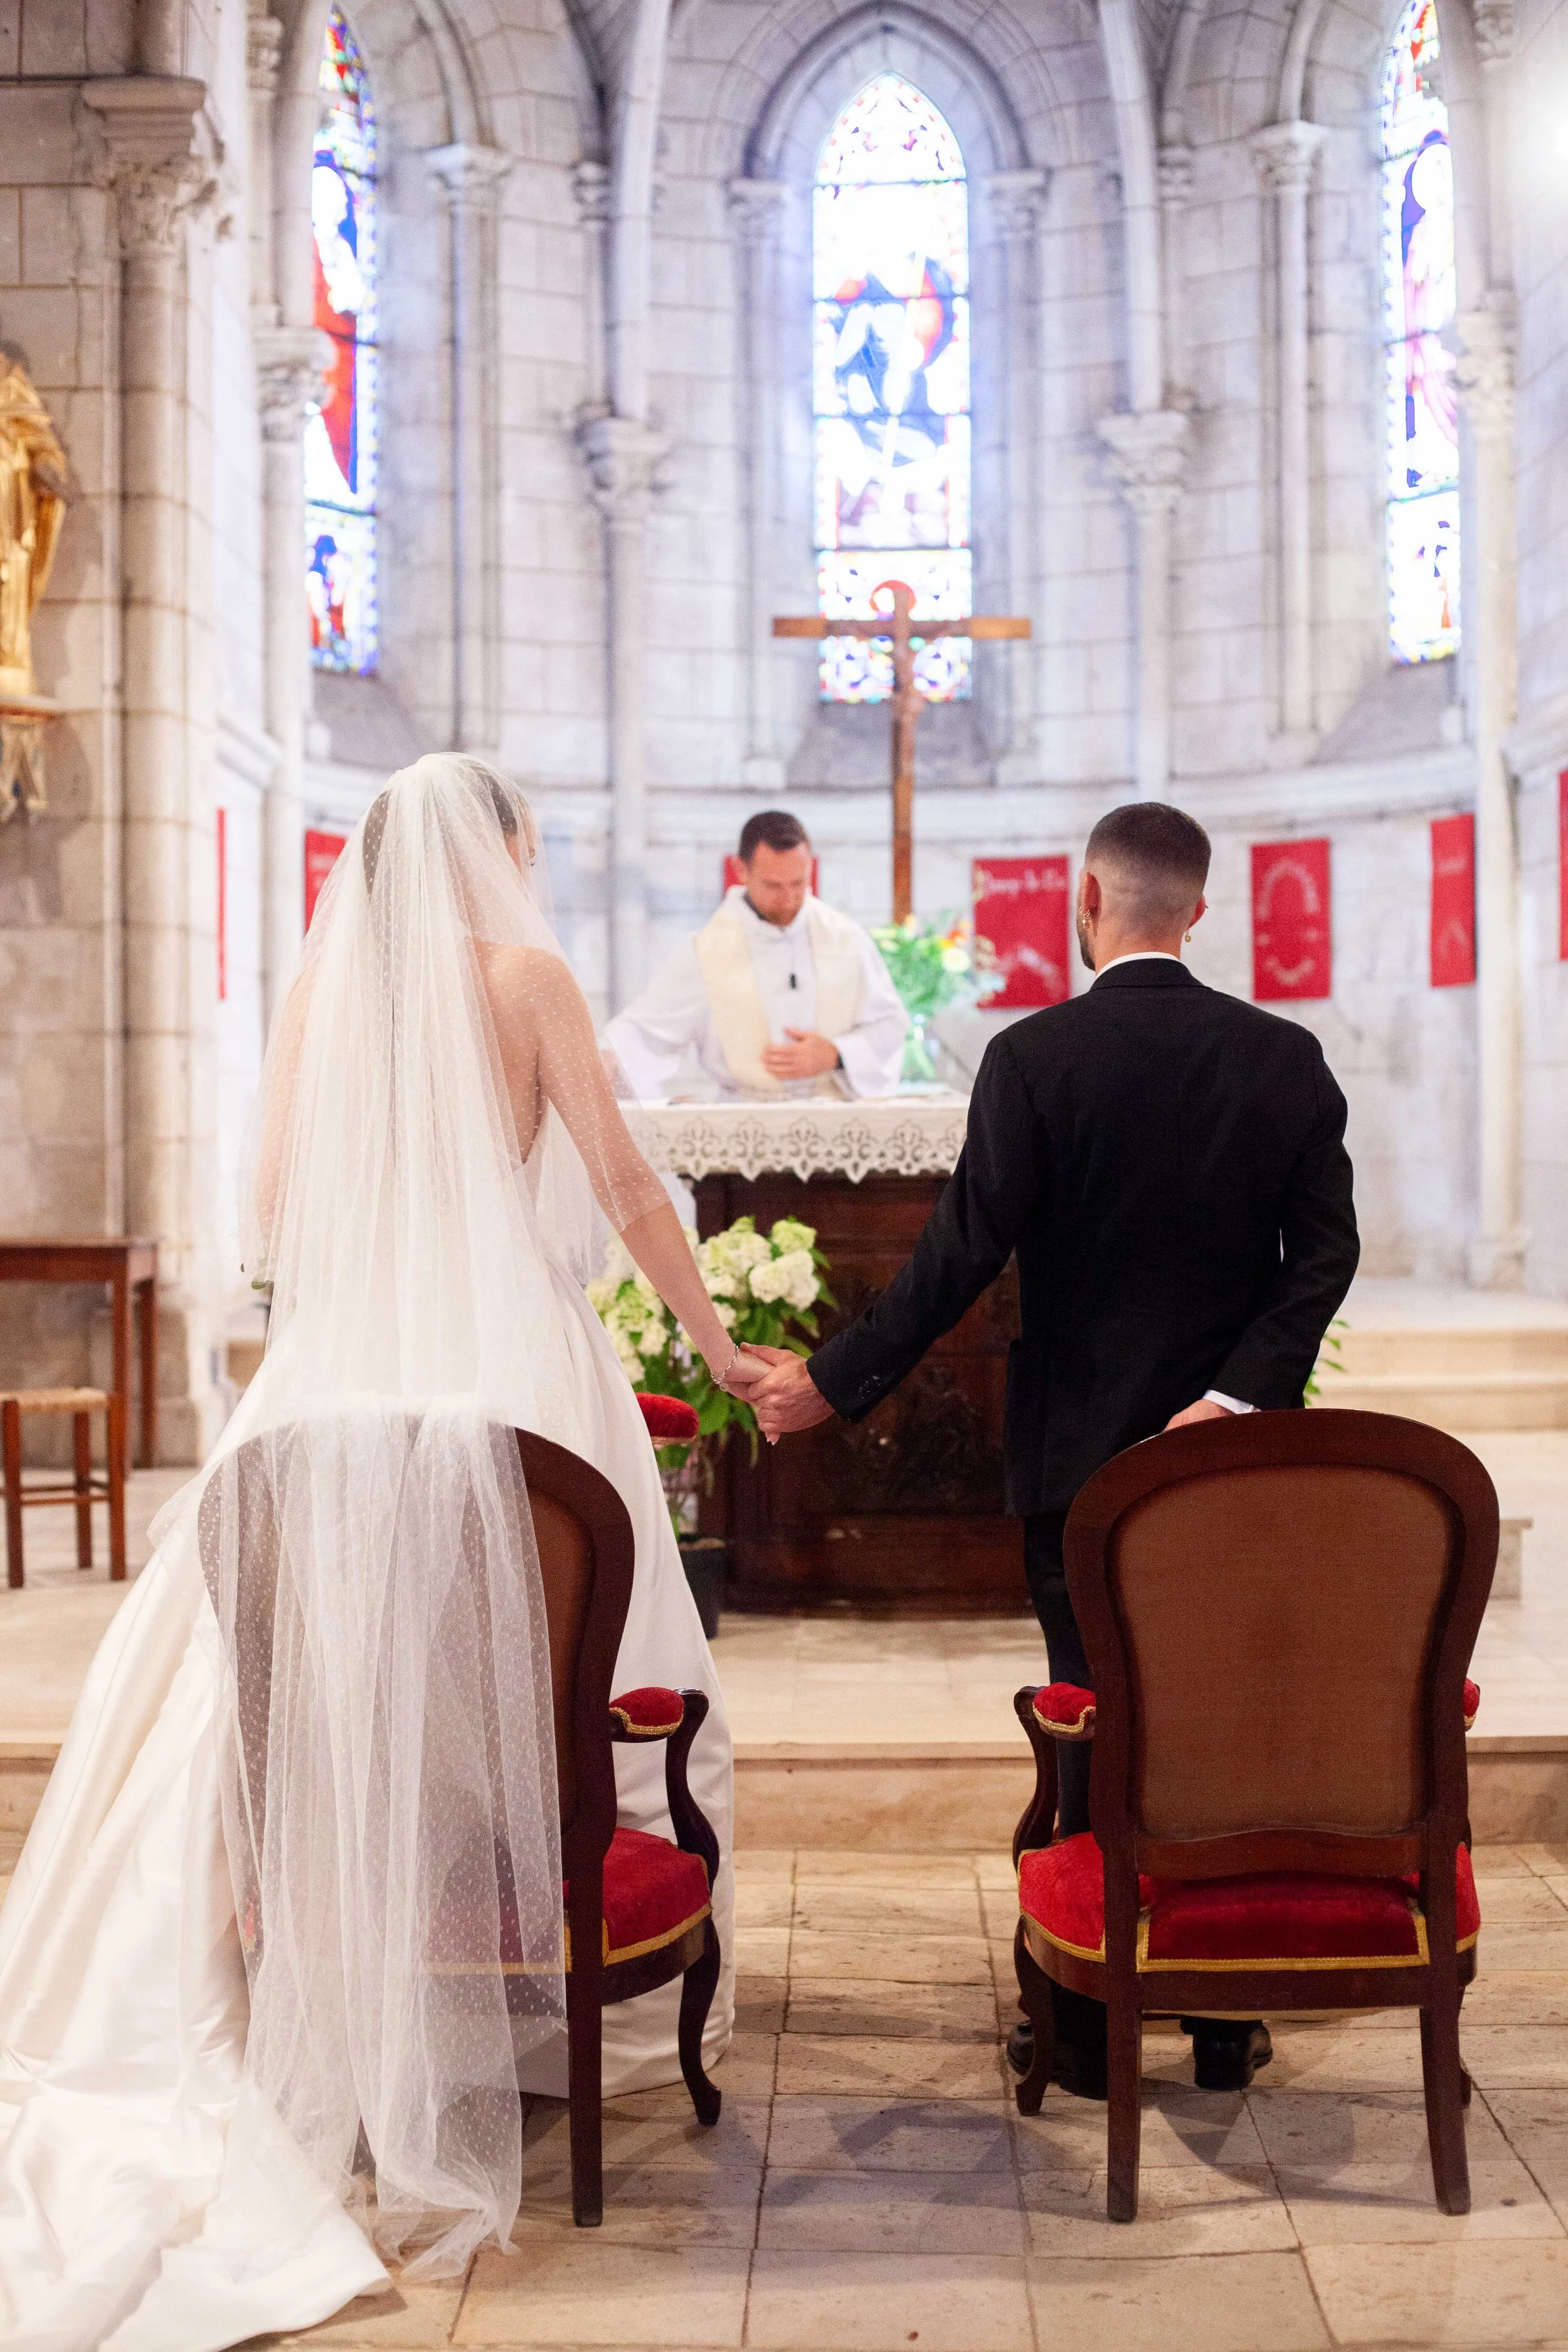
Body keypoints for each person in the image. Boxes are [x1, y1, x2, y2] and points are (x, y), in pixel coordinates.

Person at [0, 756, 770, 2351]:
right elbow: (626, 1185)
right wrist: (715, 1349)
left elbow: (278, 1210)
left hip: (339, 1371)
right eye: (525, 848)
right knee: (562, 1651)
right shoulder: (529, 981)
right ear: (494, 853)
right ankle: (550, 2001)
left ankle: (297, 1966)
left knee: (279, 1659)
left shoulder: (321, 998)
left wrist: (357, 1307)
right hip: (517, 1364)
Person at [751, 800, 1360, 2099]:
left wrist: (828, 1383)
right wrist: (1235, 1400)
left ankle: (1085, 2031)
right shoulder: (1284, 1058)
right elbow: (1323, 1259)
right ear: (1198, 911)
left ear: (1086, 900)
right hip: (1237, 1469)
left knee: (1091, 1712)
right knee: (1214, 1719)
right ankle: (1218, 2016)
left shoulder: (1032, 1060)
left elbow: (959, 1255)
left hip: (1077, 1456)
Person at [604, 809, 908, 1101]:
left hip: (835, 1116)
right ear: (742, 871)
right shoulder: (707, 951)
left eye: (798, 883)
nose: (788, 898)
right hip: (745, 1118)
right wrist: (602, 1060)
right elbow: (647, 1031)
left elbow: (889, 1026)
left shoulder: (846, 939)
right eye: (774, 886)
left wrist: (837, 1053)